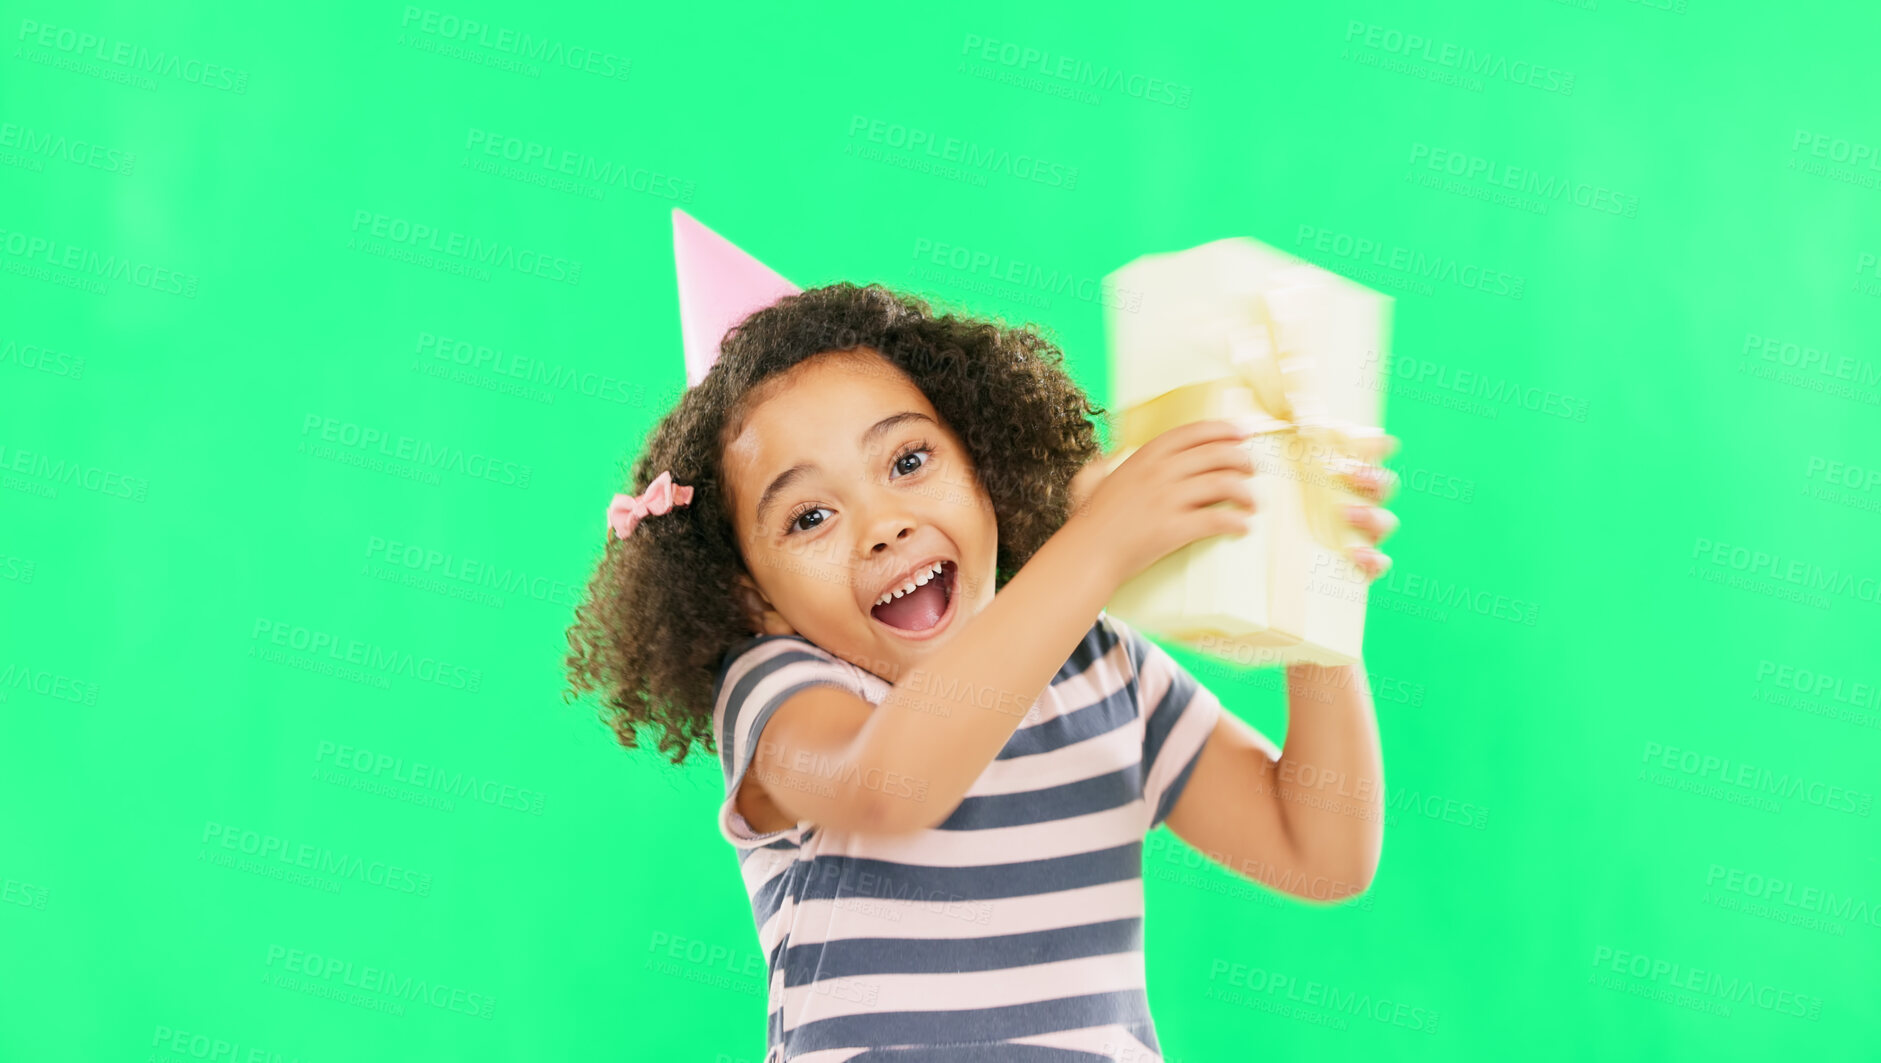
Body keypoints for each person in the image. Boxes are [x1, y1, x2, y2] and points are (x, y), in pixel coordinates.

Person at [566, 276, 1400, 1061]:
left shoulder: (1099, 665)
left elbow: (1317, 848)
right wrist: (1099, 542)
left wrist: (1311, 601)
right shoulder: (779, 691)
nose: (883, 525)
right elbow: (891, 783)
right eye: (810, 515)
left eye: (907, 462)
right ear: (753, 599)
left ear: (983, 466)